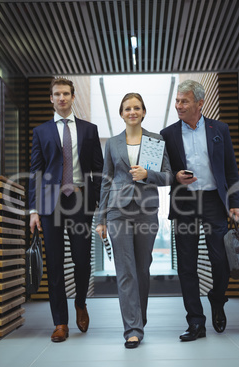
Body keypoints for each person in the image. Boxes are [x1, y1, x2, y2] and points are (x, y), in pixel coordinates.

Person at [161, 80, 239, 342]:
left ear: (199, 103)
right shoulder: (168, 134)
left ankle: (217, 298)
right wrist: (176, 176)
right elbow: (164, 171)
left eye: (184, 101)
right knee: (187, 265)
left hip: (213, 202)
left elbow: (230, 169)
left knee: (221, 260)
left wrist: (236, 203)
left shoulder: (219, 129)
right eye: (177, 101)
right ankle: (196, 321)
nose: (179, 106)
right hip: (185, 203)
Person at [29, 78, 103, 342]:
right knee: (55, 264)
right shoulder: (41, 132)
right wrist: (33, 210)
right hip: (50, 204)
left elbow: (98, 169)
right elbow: (35, 172)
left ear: (73, 97)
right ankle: (60, 322)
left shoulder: (89, 130)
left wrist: (97, 203)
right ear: (51, 98)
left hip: (80, 201)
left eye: (65, 94)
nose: (61, 98)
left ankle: (80, 302)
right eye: (56, 94)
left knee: (82, 260)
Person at [96, 93, 173, 348]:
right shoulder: (113, 143)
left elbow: (168, 176)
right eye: (127, 108)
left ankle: (139, 318)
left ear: (143, 112)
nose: (132, 112)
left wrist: (147, 174)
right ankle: (132, 328)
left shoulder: (155, 140)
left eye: (136, 108)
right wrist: (101, 218)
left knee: (142, 269)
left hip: (146, 208)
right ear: (121, 113)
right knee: (125, 270)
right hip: (118, 209)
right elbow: (106, 181)